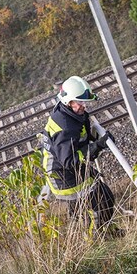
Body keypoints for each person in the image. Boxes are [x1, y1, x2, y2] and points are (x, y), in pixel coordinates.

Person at [38, 76, 117, 235]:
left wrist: (97, 139)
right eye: (79, 102)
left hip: (69, 171)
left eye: (85, 102)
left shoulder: (70, 113)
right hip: (64, 178)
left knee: (102, 200)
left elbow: (80, 138)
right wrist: (97, 146)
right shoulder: (65, 126)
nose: (84, 106)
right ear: (68, 101)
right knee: (102, 202)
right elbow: (68, 160)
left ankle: (104, 232)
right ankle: (96, 239)